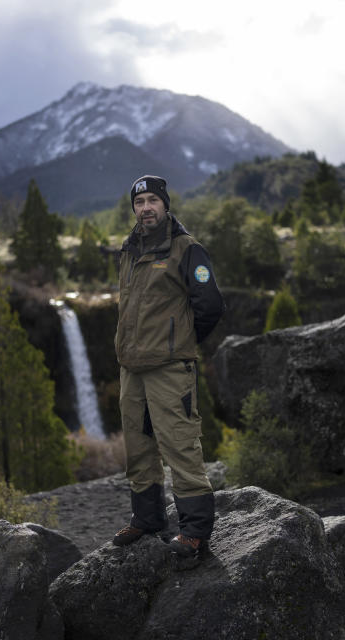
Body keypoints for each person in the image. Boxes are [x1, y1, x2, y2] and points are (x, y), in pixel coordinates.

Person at [112, 174, 225, 557]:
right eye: (139, 202)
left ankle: (194, 532)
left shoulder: (187, 250)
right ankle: (147, 520)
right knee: (138, 449)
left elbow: (210, 306)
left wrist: (180, 345)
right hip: (132, 369)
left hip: (169, 369)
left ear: (165, 204)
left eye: (152, 201)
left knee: (180, 446)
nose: (146, 208)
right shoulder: (127, 250)